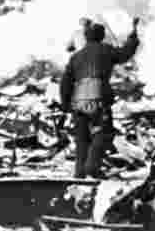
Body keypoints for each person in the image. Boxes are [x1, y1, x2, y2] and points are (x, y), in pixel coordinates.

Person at [59, 18, 140, 178]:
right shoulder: (106, 50)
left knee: (82, 139)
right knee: (104, 134)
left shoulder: (76, 56)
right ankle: (91, 166)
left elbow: (65, 82)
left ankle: (79, 174)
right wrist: (133, 36)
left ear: (87, 37)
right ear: (102, 36)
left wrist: (66, 103)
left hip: (78, 101)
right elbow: (125, 53)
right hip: (99, 99)